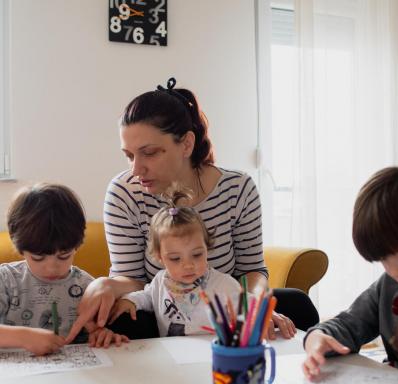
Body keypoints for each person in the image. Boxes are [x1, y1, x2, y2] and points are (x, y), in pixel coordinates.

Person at [67, 77, 319, 343]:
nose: (136, 169)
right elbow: (131, 277)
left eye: (149, 153)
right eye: (129, 155)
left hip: (225, 310)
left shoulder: (238, 188)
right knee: (123, 320)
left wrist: (254, 306)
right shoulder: (124, 192)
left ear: (187, 144)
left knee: (297, 306)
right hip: (165, 310)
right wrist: (105, 284)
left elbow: (251, 270)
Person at [303, 165, 398, 384]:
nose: (395, 271)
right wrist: (317, 338)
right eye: (383, 260)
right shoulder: (390, 285)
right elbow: (348, 325)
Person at [0, 183, 129, 355]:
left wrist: (100, 334)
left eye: (64, 256)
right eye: (38, 258)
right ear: (19, 247)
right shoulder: (7, 281)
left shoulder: (86, 287)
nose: (52, 268)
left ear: (77, 245)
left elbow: (94, 330)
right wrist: (23, 337)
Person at [108, 185, 242, 336]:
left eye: (197, 254)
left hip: (213, 355)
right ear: (160, 258)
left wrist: (261, 315)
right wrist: (130, 300)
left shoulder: (224, 285)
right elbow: (146, 297)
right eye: (175, 259)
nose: (188, 265)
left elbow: (249, 307)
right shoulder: (160, 281)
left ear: (207, 247)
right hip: (172, 356)